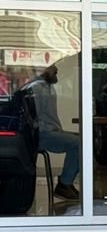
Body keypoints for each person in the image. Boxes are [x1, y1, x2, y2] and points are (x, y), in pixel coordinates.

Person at [25, 63, 80, 201]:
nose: (56, 69)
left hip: (49, 131)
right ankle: (64, 184)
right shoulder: (36, 88)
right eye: (53, 66)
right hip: (42, 135)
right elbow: (33, 118)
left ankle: (67, 182)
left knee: (83, 140)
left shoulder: (47, 87)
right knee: (79, 143)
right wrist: (51, 130)